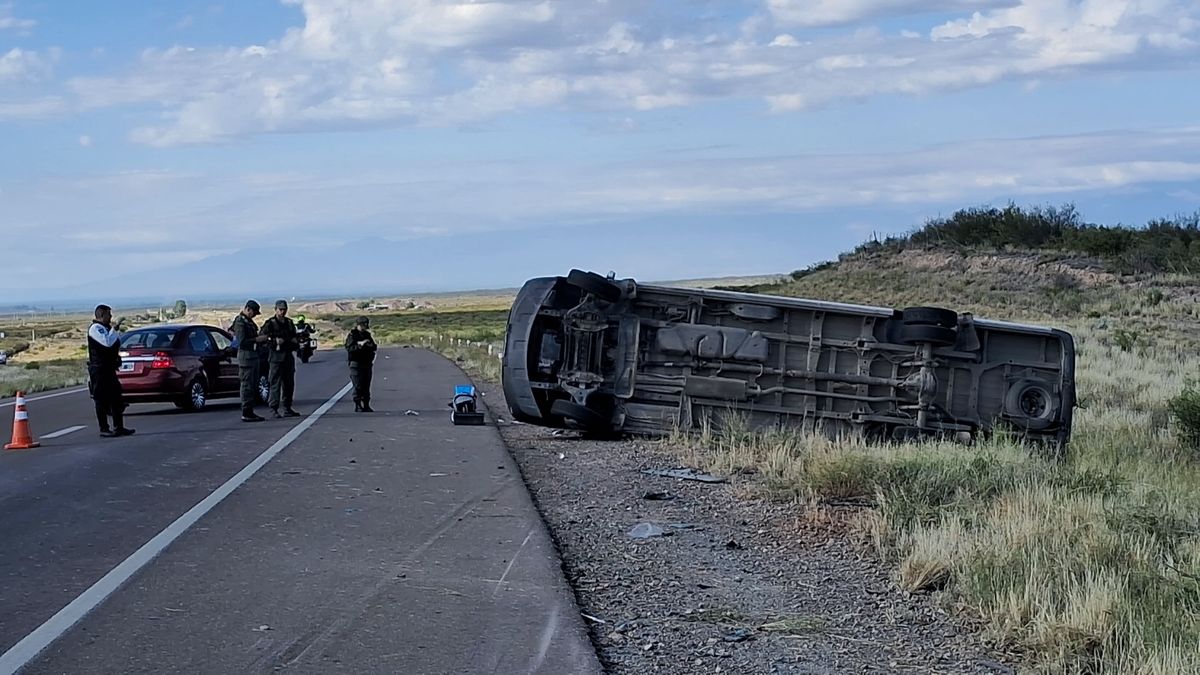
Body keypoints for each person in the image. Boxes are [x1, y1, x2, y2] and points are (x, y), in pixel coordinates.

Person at [87, 304, 135, 437]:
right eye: (109, 314)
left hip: (109, 369)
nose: (111, 317)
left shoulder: (105, 329)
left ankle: (119, 427)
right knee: (101, 399)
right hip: (99, 370)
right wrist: (114, 330)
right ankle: (104, 428)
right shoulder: (95, 329)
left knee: (116, 398)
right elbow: (107, 342)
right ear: (102, 315)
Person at [231, 300, 270, 422]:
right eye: (253, 313)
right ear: (248, 309)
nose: (254, 316)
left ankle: (250, 410)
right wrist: (257, 340)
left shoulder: (247, 321)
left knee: (253, 385)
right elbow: (242, 341)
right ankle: (246, 411)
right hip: (246, 358)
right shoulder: (240, 322)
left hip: (253, 356)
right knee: (247, 385)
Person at [261, 299, 301, 418]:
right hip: (276, 358)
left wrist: (295, 342)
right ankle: (274, 408)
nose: (282, 312)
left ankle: (287, 407)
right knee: (275, 383)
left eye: (284, 309)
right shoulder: (270, 323)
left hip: (287, 357)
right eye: (280, 309)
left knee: (289, 384)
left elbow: (294, 338)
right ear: (276, 309)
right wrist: (274, 341)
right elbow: (262, 339)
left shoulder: (289, 323)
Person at [345, 316, 377, 412]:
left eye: (366, 324)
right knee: (358, 385)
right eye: (364, 324)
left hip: (366, 363)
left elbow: (374, 347)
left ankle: (366, 404)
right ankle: (358, 405)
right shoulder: (352, 335)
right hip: (356, 364)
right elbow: (350, 348)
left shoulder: (367, 335)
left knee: (366, 385)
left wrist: (368, 345)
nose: (366, 326)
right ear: (359, 324)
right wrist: (360, 345)